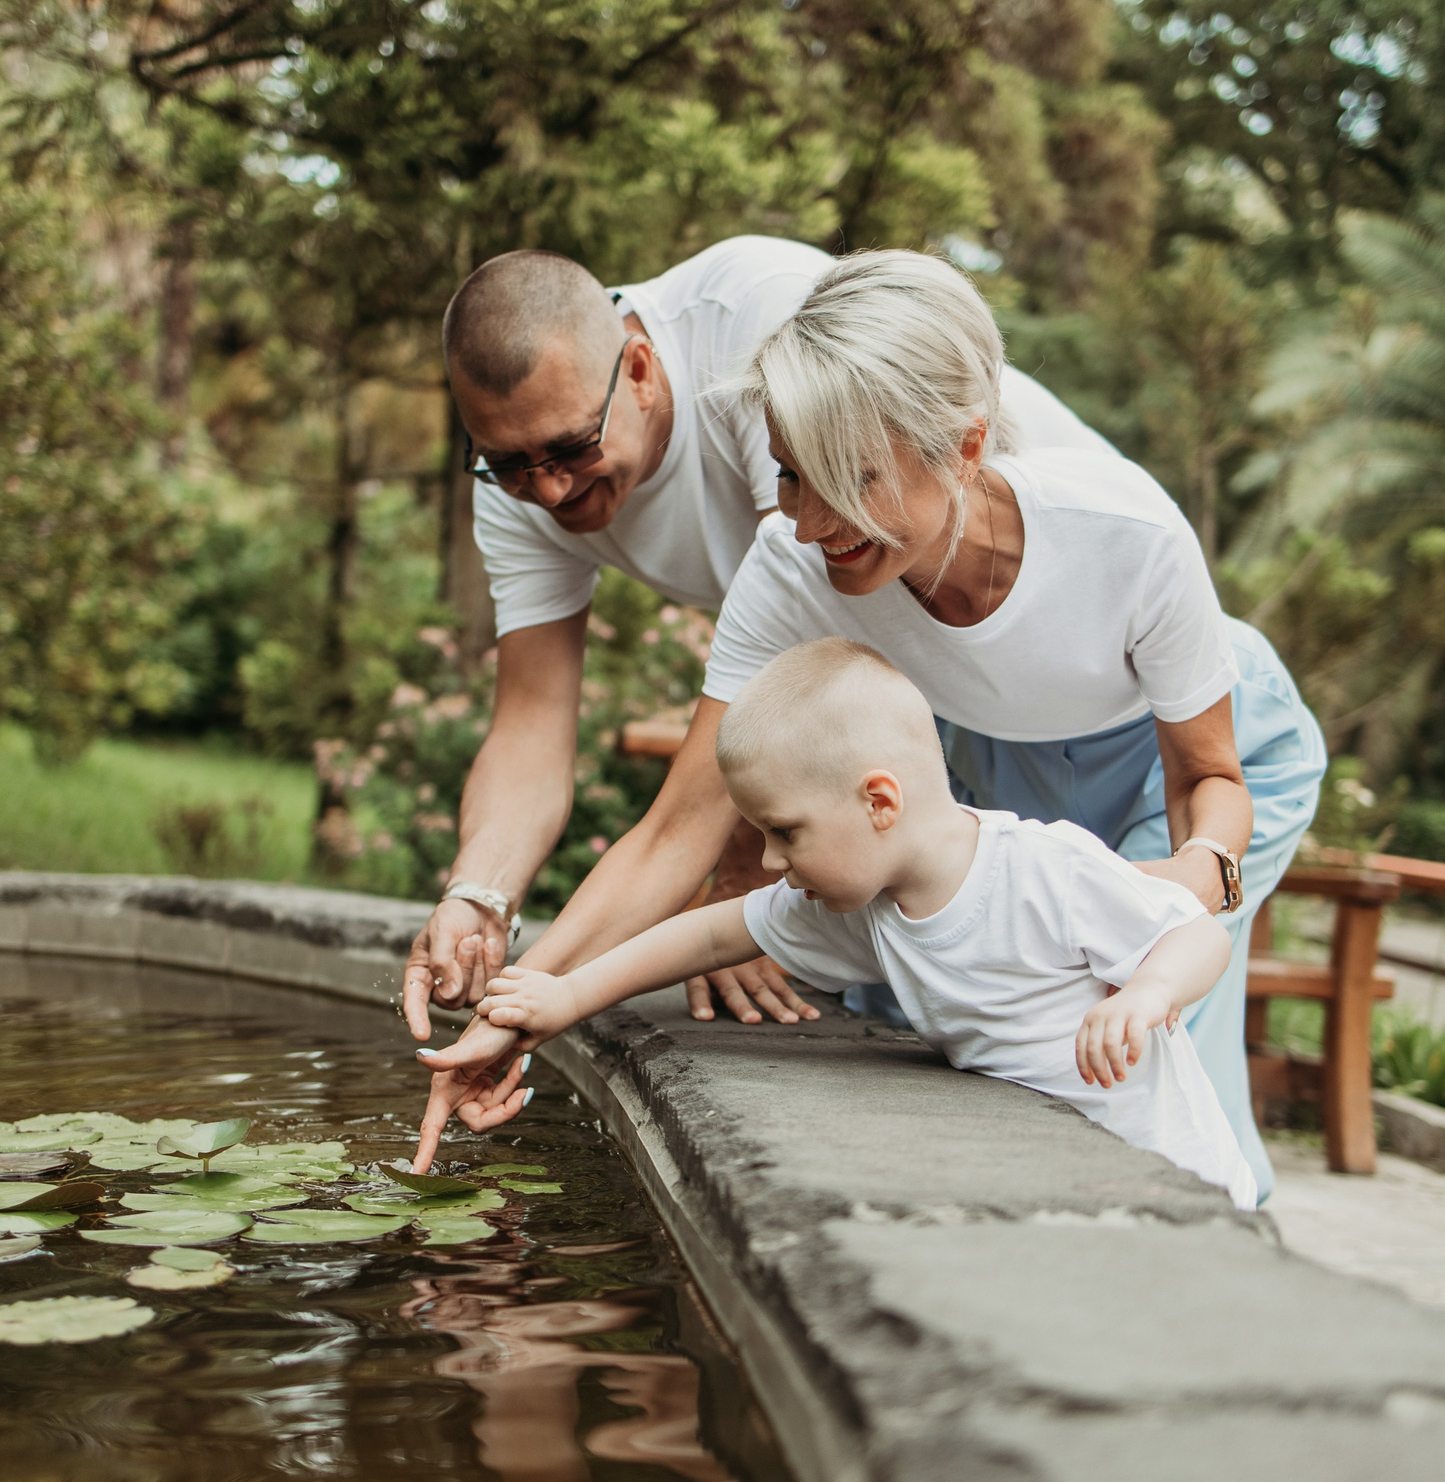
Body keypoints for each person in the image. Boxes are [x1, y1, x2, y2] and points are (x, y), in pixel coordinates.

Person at [420, 251, 1324, 1203]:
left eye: (843, 479)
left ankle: (1230, 1260)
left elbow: (1211, 774)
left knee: (1153, 1058)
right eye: (788, 479)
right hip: (1000, 748)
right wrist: (515, 1006)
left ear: (964, 448)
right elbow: (678, 827)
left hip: (1185, 750)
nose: (807, 523)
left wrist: (1198, 879)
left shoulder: (1128, 530)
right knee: (979, 1032)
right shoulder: (795, 561)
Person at [409, 236, 1115, 1047]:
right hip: (913, 675)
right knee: (927, 1005)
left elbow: (808, 608)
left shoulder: (760, 321)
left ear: (638, 369)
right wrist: (478, 898)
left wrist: (742, 877)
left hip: (1059, 645)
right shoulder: (521, 480)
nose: (548, 488)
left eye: (571, 449)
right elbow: (532, 728)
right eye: (509, 464)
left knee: (1087, 1005)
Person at [420, 639, 1258, 1210]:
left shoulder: (1041, 868)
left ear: (879, 801)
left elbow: (1196, 932)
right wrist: (566, 996)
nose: (774, 863)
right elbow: (714, 933)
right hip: (1062, 1178)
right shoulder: (869, 904)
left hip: (1177, 1177)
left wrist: (1144, 994)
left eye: (785, 832)